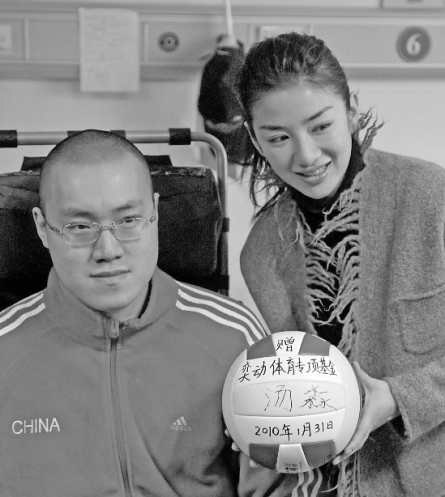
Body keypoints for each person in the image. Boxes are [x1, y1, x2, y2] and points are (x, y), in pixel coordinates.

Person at [0, 129, 298, 497]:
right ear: (42, 227)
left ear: (155, 214)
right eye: (79, 226)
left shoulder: (235, 337)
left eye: (128, 220)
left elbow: (278, 487)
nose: (108, 250)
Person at [237, 32, 445, 497]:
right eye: (278, 137)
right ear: (255, 139)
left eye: (320, 126)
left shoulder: (431, 197)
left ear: (350, 110)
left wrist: (400, 398)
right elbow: (305, 392)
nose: (306, 155)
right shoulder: (263, 250)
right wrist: (262, 425)